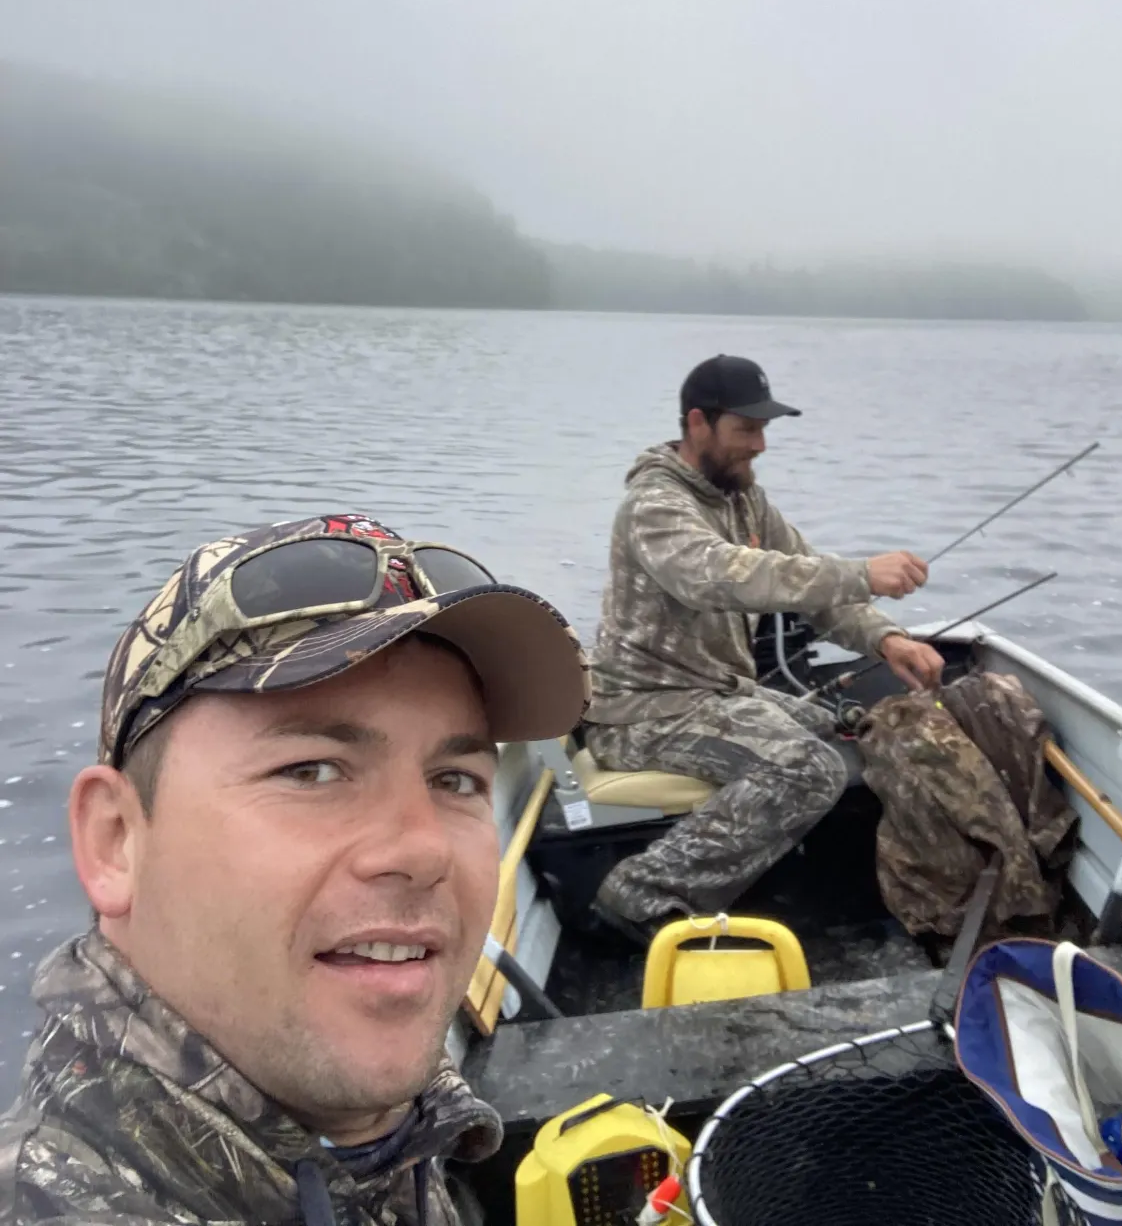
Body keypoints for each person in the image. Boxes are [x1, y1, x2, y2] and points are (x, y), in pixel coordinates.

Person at [0, 514, 588, 1226]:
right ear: (115, 840)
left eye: (455, 779)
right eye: (311, 770)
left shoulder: (385, 1135)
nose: (423, 850)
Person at [585, 355, 944, 937]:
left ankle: (779, 874)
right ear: (698, 423)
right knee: (807, 770)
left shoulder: (745, 499)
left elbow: (809, 587)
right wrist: (859, 572)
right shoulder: (654, 505)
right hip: (643, 709)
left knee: (836, 730)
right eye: (745, 429)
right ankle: (639, 894)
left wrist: (888, 639)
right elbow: (719, 575)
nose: (759, 445)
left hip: (715, 692)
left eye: (763, 429)